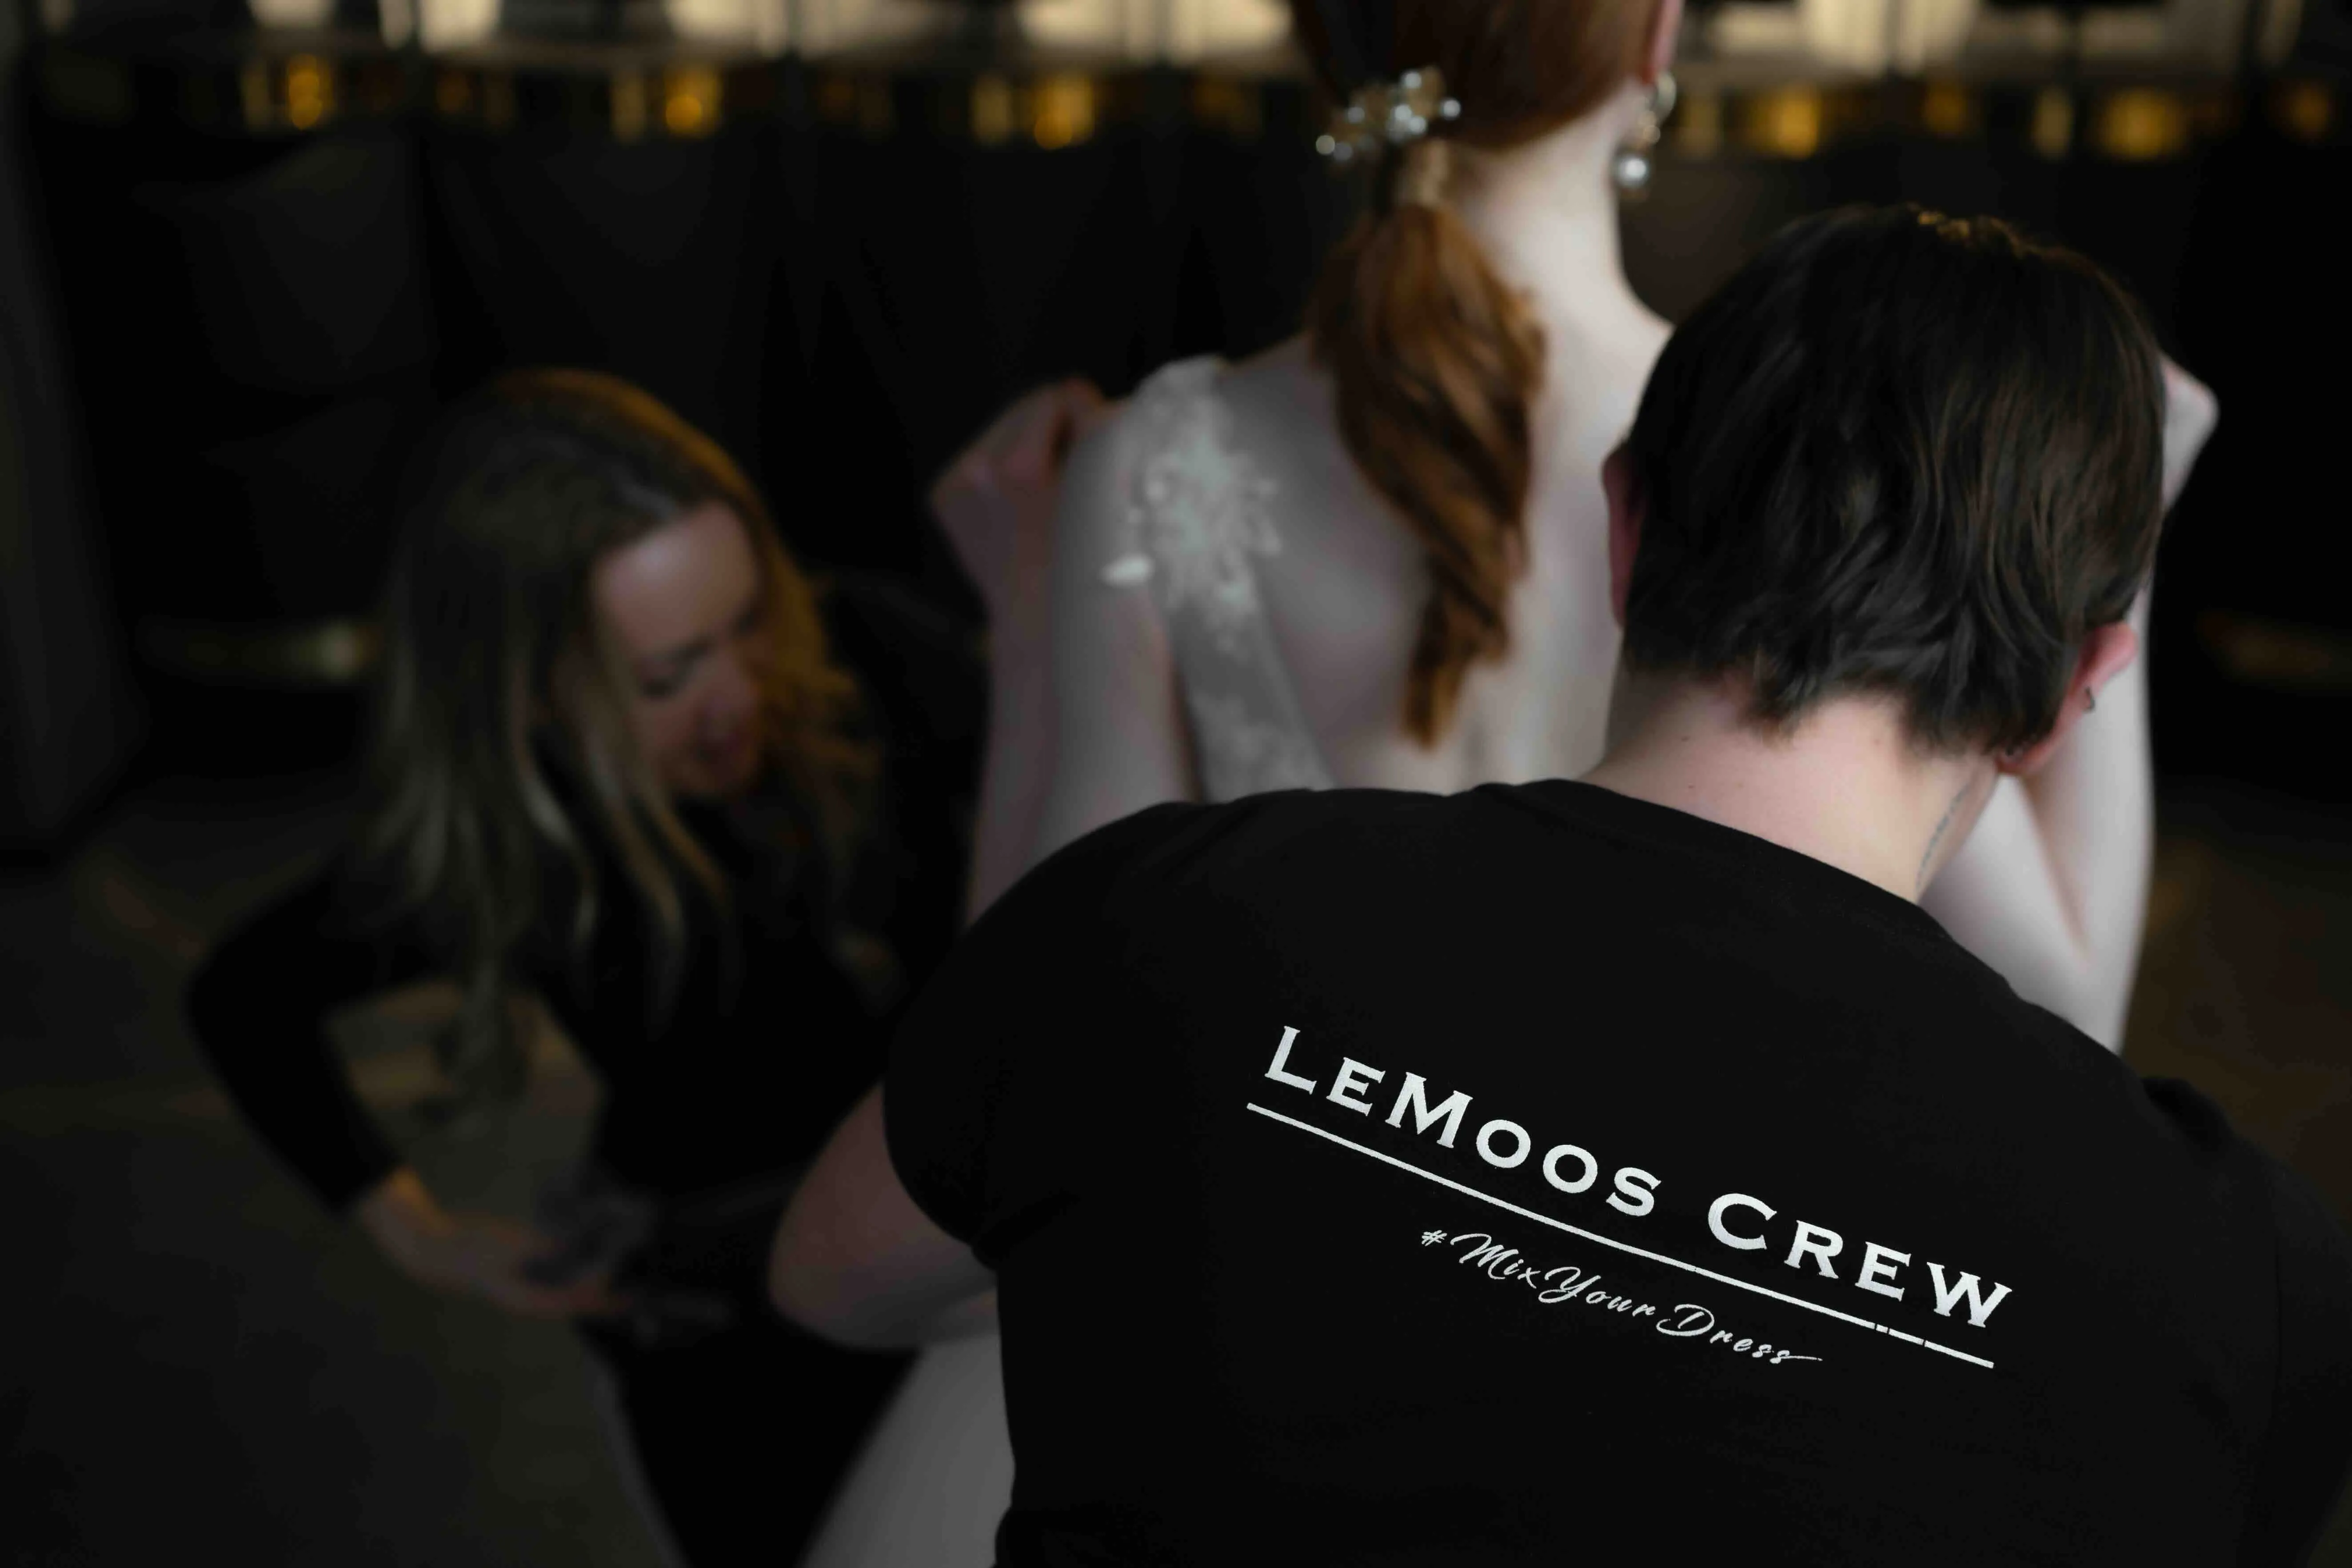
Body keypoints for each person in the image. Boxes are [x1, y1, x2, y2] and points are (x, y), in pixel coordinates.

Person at [799, 2, 2219, 1556]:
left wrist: (1025, 621)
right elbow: (2062, 1019)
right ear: (1655, 42)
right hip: (1661, 1312)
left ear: (1330, 48)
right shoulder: (1793, 455)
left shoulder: (1157, 457)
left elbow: (1034, 1022)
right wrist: (2116, 517)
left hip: (1229, 1293)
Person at [182, 370, 980, 1567]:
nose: (738, 696)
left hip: (964, 1251)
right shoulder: (520, 852)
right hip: (741, 1337)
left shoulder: (865, 654)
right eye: (664, 677)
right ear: (531, 689)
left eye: (748, 620)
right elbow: (244, 997)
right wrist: (424, 1234)